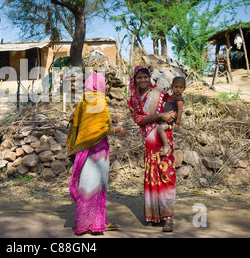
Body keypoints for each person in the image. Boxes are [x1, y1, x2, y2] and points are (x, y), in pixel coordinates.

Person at [66, 72, 126, 235]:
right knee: (94, 187)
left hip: (85, 151)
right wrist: (117, 129)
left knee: (87, 186)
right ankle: (91, 224)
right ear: (97, 85)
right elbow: (99, 129)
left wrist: (110, 120)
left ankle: (88, 223)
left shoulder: (86, 100)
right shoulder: (98, 100)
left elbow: (88, 123)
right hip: (96, 151)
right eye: (105, 83)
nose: (108, 87)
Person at [127, 66, 177, 232]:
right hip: (148, 142)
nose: (142, 80)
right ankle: (154, 215)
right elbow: (140, 120)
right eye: (139, 78)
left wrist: (171, 116)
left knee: (166, 175)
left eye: (145, 77)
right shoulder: (133, 100)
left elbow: (174, 106)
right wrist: (159, 116)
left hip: (164, 141)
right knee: (152, 175)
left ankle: (168, 217)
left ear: (150, 78)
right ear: (134, 80)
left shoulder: (161, 94)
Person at [157, 76, 185, 156]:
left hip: (171, 123)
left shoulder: (179, 99)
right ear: (171, 86)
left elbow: (180, 111)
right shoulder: (171, 97)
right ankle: (164, 143)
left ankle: (166, 146)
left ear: (184, 89)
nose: (178, 89)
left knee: (160, 128)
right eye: (176, 87)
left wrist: (177, 123)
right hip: (165, 120)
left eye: (181, 87)